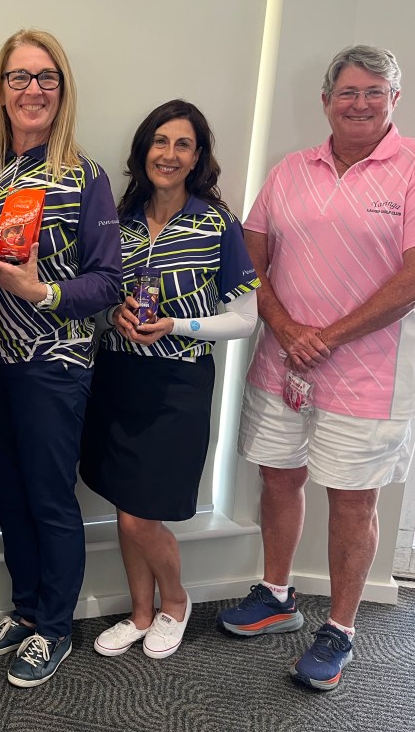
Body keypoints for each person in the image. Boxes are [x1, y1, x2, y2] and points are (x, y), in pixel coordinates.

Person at [217, 45, 415, 690]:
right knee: (278, 478)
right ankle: (276, 595)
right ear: (326, 101)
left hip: (370, 375)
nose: (360, 104)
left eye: (374, 92)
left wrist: (326, 337)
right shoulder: (290, 170)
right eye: (348, 92)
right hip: (283, 363)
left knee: (353, 499)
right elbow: (251, 258)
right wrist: (289, 331)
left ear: (394, 100)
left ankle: (341, 627)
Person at [0, 29, 121, 687]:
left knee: (51, 497)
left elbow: (107, 283)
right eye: (20, 77)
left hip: (54, 362)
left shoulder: (84, 177)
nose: (33, 90)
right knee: (7, 493)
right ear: (0, 91)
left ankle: (54, 627)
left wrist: (43, 291)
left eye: (46, 77)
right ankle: (26, 609)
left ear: (63, 90)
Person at [80, 100, 260, 661]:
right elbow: (98, 296)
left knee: (142, 515)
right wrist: (113, 315)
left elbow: (245, 319)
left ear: (198, 157)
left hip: (178, 384)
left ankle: (175, 602)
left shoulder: (217, 223)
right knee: (124, 506)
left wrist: (176, 325)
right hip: (116, 376)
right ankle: (140, 613)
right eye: (160, 141)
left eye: (183, 144)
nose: (170, 154)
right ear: (143, 151)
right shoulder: (118, 219)